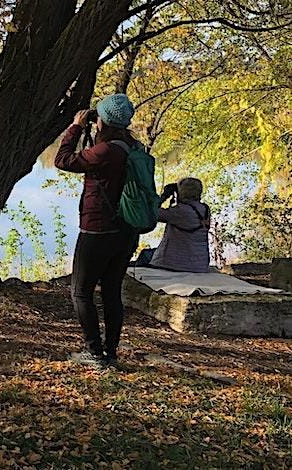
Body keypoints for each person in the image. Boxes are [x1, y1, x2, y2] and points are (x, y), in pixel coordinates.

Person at [54, 93, 141, 368]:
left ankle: (94, 353)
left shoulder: (106, 152)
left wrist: (76, 127)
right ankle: (111, 352)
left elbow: (63, 160)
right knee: (112, 291)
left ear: (104, 121)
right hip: (126, 230)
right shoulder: (135, 147)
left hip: (97, 230)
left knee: (81, 292)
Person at [149, 178, 211, 272]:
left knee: (144, 257)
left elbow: (151, 213)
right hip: (199, 265)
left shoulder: (181, 211)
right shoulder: (205, 209)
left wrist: (163, 197)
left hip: (175, 264)